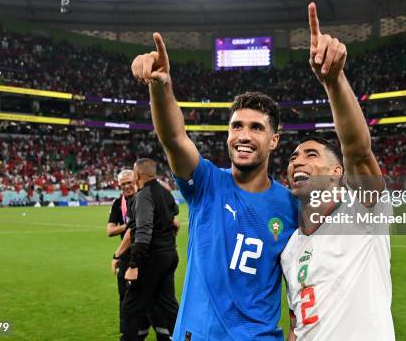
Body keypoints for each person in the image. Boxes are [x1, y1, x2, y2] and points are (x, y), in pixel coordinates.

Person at [130, 35, 299, 340]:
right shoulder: (206, 182)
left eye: (256, 127)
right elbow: (174, 138)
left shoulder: (292, 207)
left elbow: (302, 286)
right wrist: (161, 86)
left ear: (274, 140)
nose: (244, 135)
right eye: (237, 126)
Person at [280, 3, 394, 340]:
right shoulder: (289, 248)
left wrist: (333, 81)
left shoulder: (364, 215)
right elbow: (297, 324)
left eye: (311, 154)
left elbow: (358, 151)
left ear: (336, 172)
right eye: (292, 156)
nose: (296, 160)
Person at [118, 159, 180, 341]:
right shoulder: (165, 193)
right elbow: (174, 217)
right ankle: (186, 337)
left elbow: (144, 231)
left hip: (152, 258)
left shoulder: (144, 195)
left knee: (130, 306)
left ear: (138, 175)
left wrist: (134, 264)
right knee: (168, 304)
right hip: (170, 254)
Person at [107, 169, 136, 337]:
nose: (126, 186)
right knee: (124, 297)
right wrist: (130, 225)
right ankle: (127, 333)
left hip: (146, 255)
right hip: (126, 256)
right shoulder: (118, 203)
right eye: (123, 184)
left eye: (129, 182)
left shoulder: (145, 198)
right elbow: (109, 230)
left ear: (136, 180)